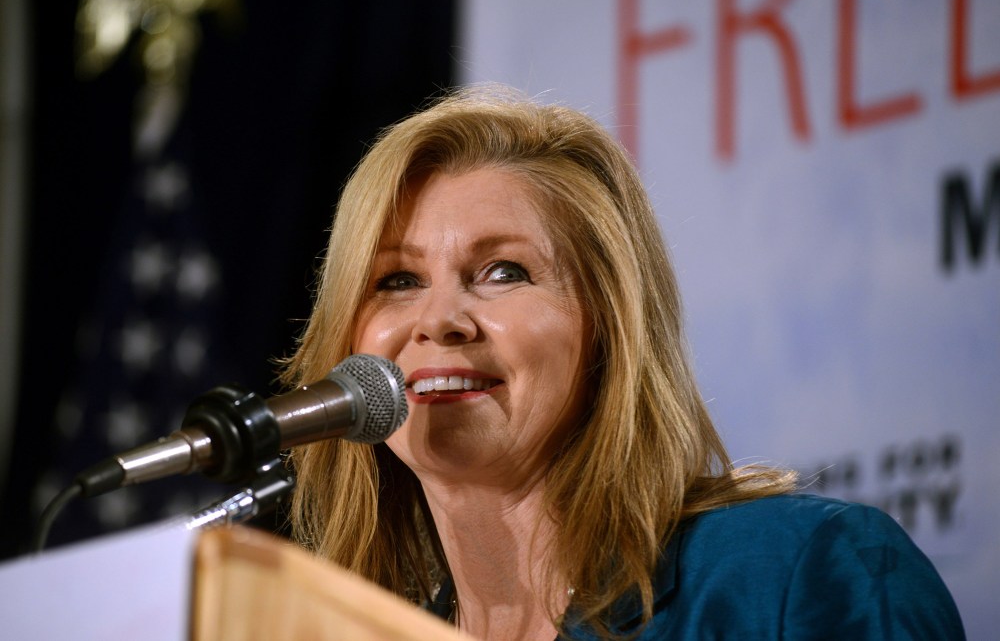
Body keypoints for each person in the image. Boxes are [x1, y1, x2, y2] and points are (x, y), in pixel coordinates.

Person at [281, 85, 964, 640]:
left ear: (610, 323)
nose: (438, 320)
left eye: (503, 271)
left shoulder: (798, 577)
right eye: (398, 280)